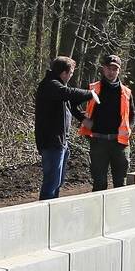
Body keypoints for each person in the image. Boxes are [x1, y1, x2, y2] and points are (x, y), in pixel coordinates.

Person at [35, 56, 98, 200]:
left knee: (58, 181)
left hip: (61, 141)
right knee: (52, 181)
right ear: (64, 73)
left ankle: (53, 210)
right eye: (71, 73)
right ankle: (45, 213)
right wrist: (90, 94)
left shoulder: (57, 87)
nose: (70, 76)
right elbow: (68, 93)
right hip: (51, 142)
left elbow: (70, 104)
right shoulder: (50, 85)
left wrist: (83, 119)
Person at [79, 54, 132, 191]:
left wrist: (129, 130)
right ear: (103, 69)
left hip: (120, 144)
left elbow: (132, 115)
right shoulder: (93, 88)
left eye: (115, 69)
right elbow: (72, 103)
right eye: (109, 68)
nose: (111, 72)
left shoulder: (126, 92)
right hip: (98, 142)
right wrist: (83, 119)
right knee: (99, 184)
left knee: (121, 184)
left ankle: (119, 212)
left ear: (119, 71)